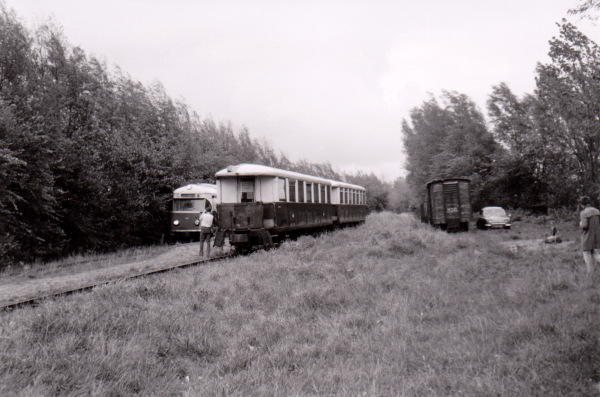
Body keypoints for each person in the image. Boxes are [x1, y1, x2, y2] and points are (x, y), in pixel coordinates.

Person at [579, 196, 600, 280]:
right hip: (597, 236)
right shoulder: (597, 211)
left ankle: (590, 273)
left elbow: (584, 226)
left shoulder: (583, 213)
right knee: (594, 253)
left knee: (586, 253)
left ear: (582, 204)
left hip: (588, 236)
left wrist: (580, 223)